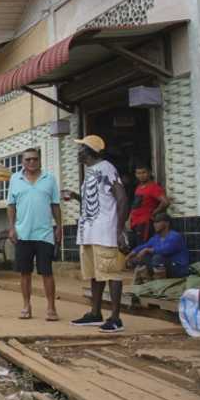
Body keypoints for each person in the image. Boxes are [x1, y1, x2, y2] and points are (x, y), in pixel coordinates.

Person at [64, 135, 130, 333]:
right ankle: (95, 313)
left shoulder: (107, 168)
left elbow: (122, 199)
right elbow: (98, 200)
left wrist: (119, 231)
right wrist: (76, 197)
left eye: (81, 148)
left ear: (90, 151)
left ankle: (116, 318)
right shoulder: (91, 172)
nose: (78, 152)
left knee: (112, 273)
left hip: (105, 232)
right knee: (94, 275)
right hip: (89, 232)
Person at [7, 147, 62, 321]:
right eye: (28, 159)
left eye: (35, 159)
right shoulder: (15, 179)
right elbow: (11, 205)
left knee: (47, 272)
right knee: (25, 273)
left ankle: (51, 307)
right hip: (23, 233)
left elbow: (55, 204)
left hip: (45, 233)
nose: (32, 162)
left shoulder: (49, 179)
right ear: (22, 162)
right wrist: (11, 227)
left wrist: (59, 226)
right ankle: (26, 305)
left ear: (40, 160)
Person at [126, 212, 189, 281]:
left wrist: (147, 250)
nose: (154, 225)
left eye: (158, 222)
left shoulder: (175, 236)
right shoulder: (156, 237)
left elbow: (166, 250)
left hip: (178, 268)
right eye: (154, 222)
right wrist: (131, 253)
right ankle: (146, 281)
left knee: (158, 257)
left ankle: (159, 283)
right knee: (144, 257)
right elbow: (144, 246)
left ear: (167, 223)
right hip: (167, 267)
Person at [128, 165, 169, 243]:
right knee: (137, 248)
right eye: (138, 173)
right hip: (135, 223)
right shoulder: (139, 187)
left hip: (145, 223)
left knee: (143, 247)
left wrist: (154, 213)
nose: (141, 175)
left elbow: (166, 202)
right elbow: (135, 206)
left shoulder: (153, 187)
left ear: (149, 173)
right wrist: (129, 219)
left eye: (144, 172)